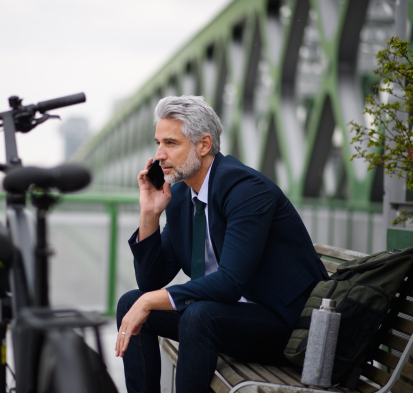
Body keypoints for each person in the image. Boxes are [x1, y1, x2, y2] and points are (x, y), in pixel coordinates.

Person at [114, 96, 328, 393]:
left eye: (171, 143)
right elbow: (150, 280)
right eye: (158, 143)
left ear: (203, 145)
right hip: (224, 319)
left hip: (285, 327)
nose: (159, 154)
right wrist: (149, 213)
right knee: (131, 302)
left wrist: (149, 300)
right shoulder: (179, 199)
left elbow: (230, 283)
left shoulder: (246, 190)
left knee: (198, 315)